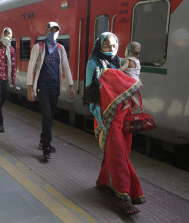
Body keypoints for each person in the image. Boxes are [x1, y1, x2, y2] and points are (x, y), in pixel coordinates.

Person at [85, 32, 145, 215]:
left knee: (121, 152)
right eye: (107, 46)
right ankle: (125, 195)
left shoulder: (120, 62)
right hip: (106, 118)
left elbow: (129, 82)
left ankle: (104, 180)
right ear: (99, 46)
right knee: (118, 154)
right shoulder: (93, 64)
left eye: (113, 46)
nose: (111, 50)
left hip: (124, 115)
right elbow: (91, 93)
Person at [27, 22, 75, 159]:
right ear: (46, 30)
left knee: (50, 116)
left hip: (55, 87)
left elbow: (66, 66)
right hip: (42, 87)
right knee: (47, 116)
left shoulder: (60, 48)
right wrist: (30, 88)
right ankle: (46, 148)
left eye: (56, 30)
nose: (53, 32)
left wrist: (71, 85)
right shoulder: (38, 47)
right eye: (51, 29)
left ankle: (43, 140)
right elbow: (31, 68)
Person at [120, 42, 142, 110]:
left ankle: (126, 103)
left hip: (130, 82)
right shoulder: (137, 61)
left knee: (121, 89)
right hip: (137, 82)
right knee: (129, 93)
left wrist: (116, 70)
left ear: (128, 51)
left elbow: (124, 67)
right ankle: (136, 103)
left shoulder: (129, 60)